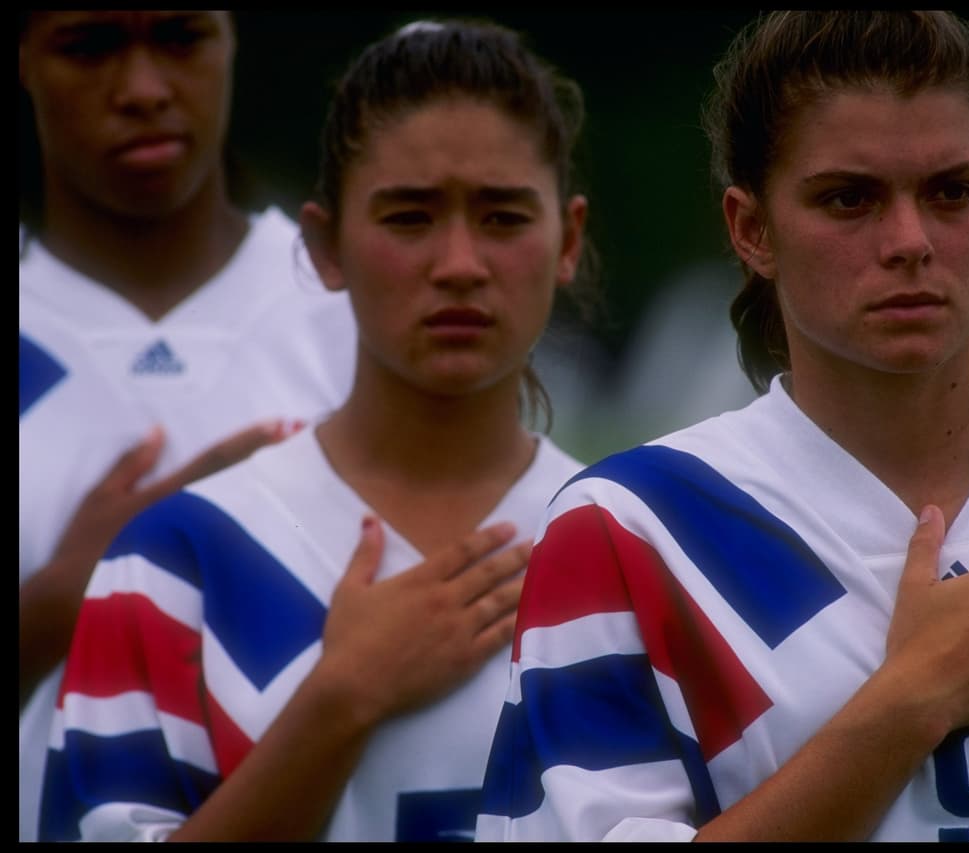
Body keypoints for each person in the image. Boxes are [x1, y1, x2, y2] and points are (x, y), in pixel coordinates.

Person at [476, 10, 969, 842]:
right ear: (751, 228)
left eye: (952, 192)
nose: (909, 241)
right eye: (850, 198)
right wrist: (914, 698)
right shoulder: (631, 532)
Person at [37, 18, 593, 842]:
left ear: (568, 240)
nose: (459, 263)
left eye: (504, 217)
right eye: (408, 217)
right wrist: (343, 696)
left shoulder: (632, 544)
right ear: (324, 246)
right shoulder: (171, 560)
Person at [18, 11, 357, 841]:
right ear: (25, 57)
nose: (142, 90)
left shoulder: (353, 317)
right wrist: (63, 599)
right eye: (89, 46)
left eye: (179, 38)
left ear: (233, 36)